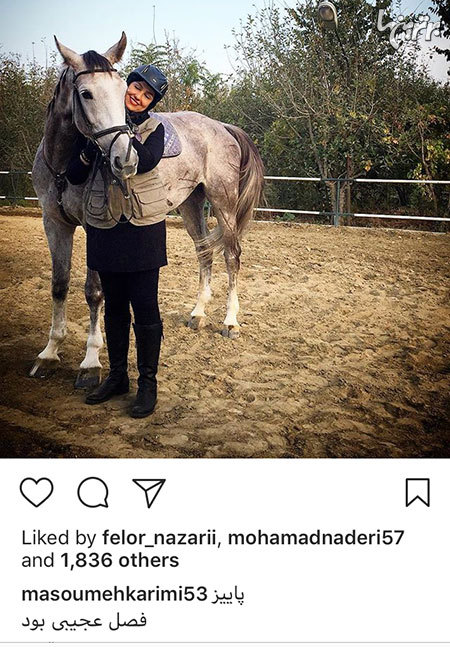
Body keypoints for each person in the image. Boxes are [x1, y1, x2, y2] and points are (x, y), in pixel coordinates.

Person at [67, 64, 169, 418]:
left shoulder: (156, 129)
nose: (138, 96)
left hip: (143, 230)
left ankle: (148, 384)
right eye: (136, 87)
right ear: (126, 86)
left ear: (151, 102)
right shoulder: (95, 124)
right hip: (104, 226)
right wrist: (90, 148)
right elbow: (74, 175)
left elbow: (146, 161)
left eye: (147, 95)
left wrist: (119, 134)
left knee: (145, 307)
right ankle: (117, 376)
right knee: (113, 308)